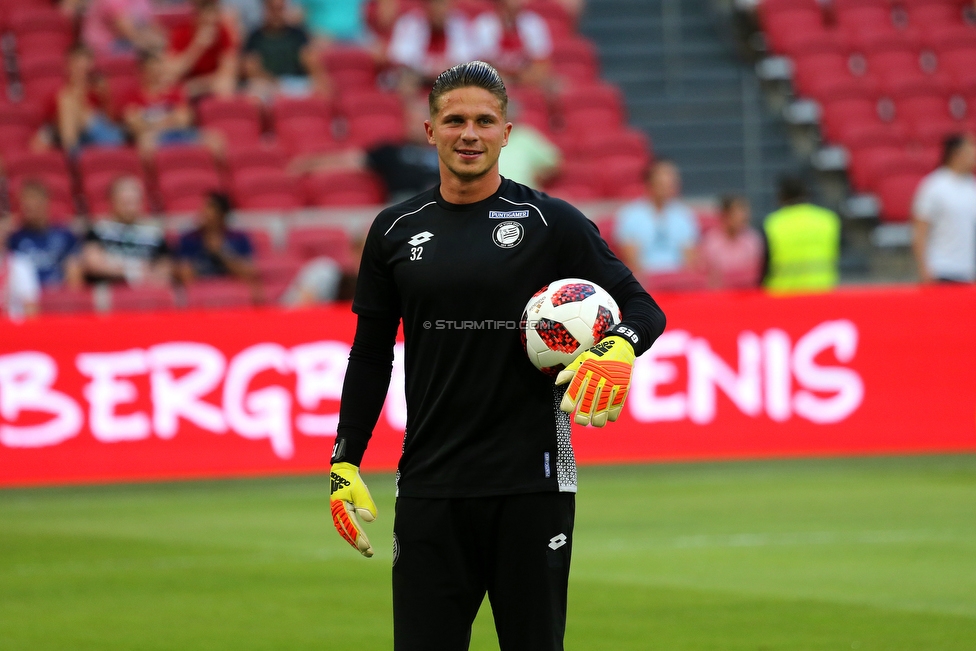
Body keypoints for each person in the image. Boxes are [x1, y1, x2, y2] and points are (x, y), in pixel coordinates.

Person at [328, 61, 665, 650]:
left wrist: (619, 345)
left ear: (507, 133)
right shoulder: (393, 231)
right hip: (430, 486)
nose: (469, 134)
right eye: (454, 120)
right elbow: (370, 355)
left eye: (485, 121)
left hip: (532, 487)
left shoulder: (550, 222)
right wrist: (345, 460)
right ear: (430, 131)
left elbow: (644, 308)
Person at [122, 51, 224, 161]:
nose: (156, 73)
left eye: (158, 69)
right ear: (142, 71)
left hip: (178, 134)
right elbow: (134, 123)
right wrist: (167, 121)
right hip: (154, 137)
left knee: (215, 140)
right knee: (145, 145)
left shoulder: (174, 92)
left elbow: (184, 119)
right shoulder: (132, 96)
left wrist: (152, 123)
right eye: (151, 69)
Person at [80, 176, 172, 286]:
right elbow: (93, 264)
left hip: (146, 291)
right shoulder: (99, 229)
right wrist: (133, 272)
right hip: (109, 292)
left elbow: (165, 267)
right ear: (112, 201)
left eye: (134, 202)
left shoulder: (153, 233)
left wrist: (155, 277)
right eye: (126, 202)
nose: (130, 208)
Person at [613, 160, 699, 274]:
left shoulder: (684, 215)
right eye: (662, 180)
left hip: (677, 277)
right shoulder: (630, 215)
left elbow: (689, 257)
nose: (668, 183)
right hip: (645, 278)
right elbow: (631, 258)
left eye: (672, 180)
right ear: (649, 182)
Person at [912, 133, 976, 284]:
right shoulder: (934, 186)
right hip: (941, 269)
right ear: (956, 153)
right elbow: (920, 230)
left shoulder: (972, 186)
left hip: (967, 271)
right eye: (971, 149)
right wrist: (924, 268)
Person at [761, 176, 841, 293]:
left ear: (782, 196)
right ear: (807, 194)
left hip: (783, 297)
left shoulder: (772, 223)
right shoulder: (828, 220)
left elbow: (764, 265)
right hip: (822, 293)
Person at [242, 0, 331, 101]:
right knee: (253, 91)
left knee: (319, 89)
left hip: (296, 83)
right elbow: (250, 67)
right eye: (272, 9)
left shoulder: (297, 34)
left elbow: (310, 60)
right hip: (267, 84)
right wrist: (274, 82)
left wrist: (321, 80)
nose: (276, 13)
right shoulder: (255, 37)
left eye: (280, 9)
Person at [6, 180, 83, 289]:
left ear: (45, 202)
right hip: (27, 296)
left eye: (34, 199)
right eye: (25, 201)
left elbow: (74, 273)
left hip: (58, 295)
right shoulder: (14, 238)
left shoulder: (64, 235)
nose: (29, 204)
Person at [387, 0, 473, 92]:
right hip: (418, 76)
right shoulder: (410, 22)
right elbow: (399, 55)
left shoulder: (459, 22)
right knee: (405, 77)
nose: (439, 10)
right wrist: (430, 67)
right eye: (435, 5)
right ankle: (412, 106)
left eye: (443, 5)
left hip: (451, 77)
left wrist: (444, 67)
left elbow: (466, 56)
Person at [175, 191, 257, 287]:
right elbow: (183, 275)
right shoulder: (189, 239)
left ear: (222, 214)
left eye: (209, 207)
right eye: (202, 207)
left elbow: (250, 273)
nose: (203, 211)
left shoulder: (239, 238)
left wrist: (220, 252)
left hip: (231, 291)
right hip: (201, 291)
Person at [55, 45, 127, 154]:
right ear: (68, 67)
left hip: (108, 136)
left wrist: (105, 98)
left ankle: (72, 158)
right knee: (67, 102)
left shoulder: (99, 90)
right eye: (78, 68)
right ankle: (72, 156)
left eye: (85, 69)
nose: (81, 73)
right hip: (78, 140)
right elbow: (53, 127)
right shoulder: (60, 95)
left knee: (69, 103)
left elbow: (113, 122)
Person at [472, 0, 554, 90]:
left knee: (554, 86)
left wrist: (517, 78)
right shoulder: (484, 24)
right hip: (496, 83)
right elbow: (482, 65)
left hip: (525, 79)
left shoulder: (533, 23)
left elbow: (542, 64)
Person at [165, 0, 239, 98]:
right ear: (197, 18)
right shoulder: (181, 33)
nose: (210, 28)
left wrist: (200, 84)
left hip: (208, 84)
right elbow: (172, 71)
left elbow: (228, 71)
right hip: (186, 86)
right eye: (205, 22)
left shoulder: (223, 32)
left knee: (225, 85)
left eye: (213, 23)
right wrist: (197, 46)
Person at [699, 194, 764, 288]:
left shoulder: (754, 240)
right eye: (738, 213)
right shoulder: (710, 241)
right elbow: (705, 276)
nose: (743, 217)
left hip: (748, 294)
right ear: (725, 215)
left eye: (745, 213)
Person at [81, 0, 166, 55]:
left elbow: (155, 27)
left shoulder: (141, 2)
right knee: (151, 49)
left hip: (123, 40)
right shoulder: (111, 2)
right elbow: (130, 33)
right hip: (102, 47)